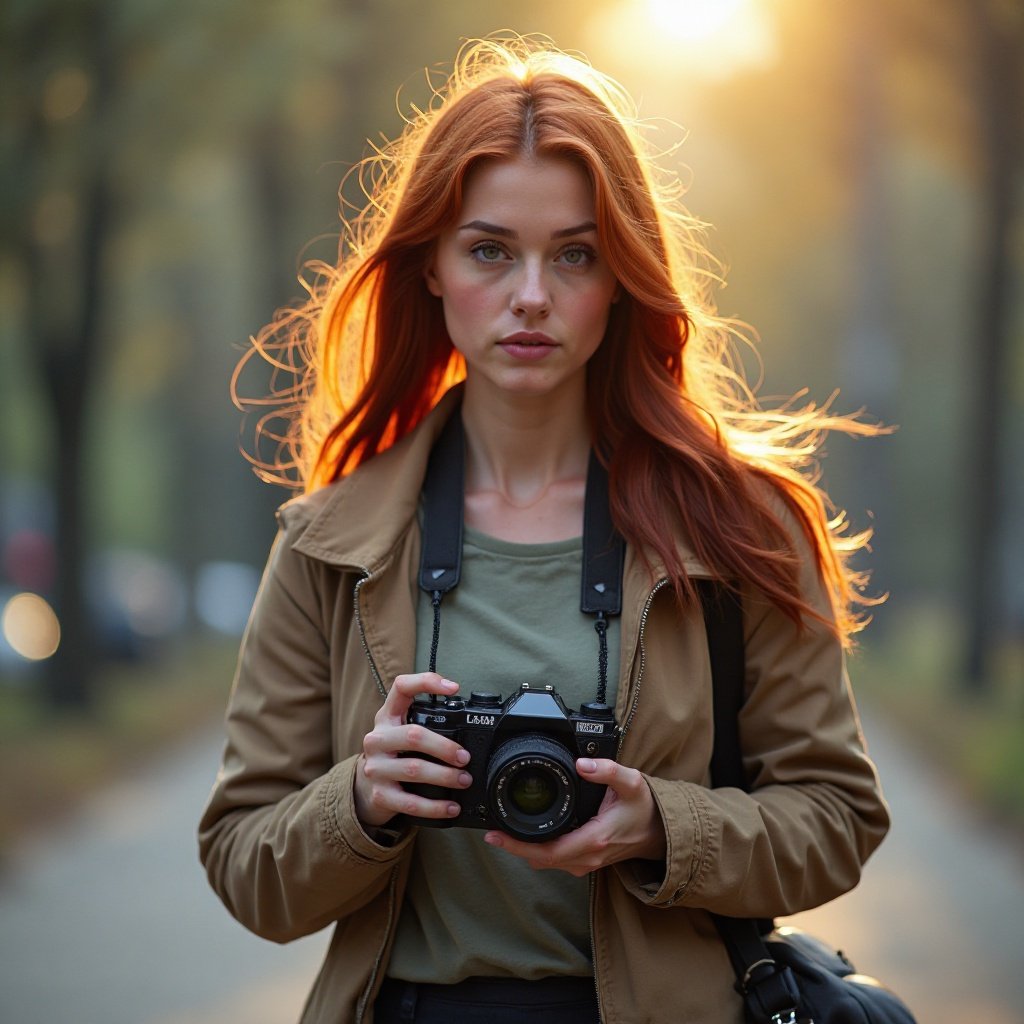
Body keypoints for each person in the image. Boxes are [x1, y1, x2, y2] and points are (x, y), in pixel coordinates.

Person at [199, 36, 890, 1024]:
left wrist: (659, 826)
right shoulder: (328, 543)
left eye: (575, 254)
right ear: (430, 267)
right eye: (489, 250)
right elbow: (242, 862)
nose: (531, 294)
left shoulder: (738, 528)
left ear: (621, 277)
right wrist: (360, 799)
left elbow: (837, 819)